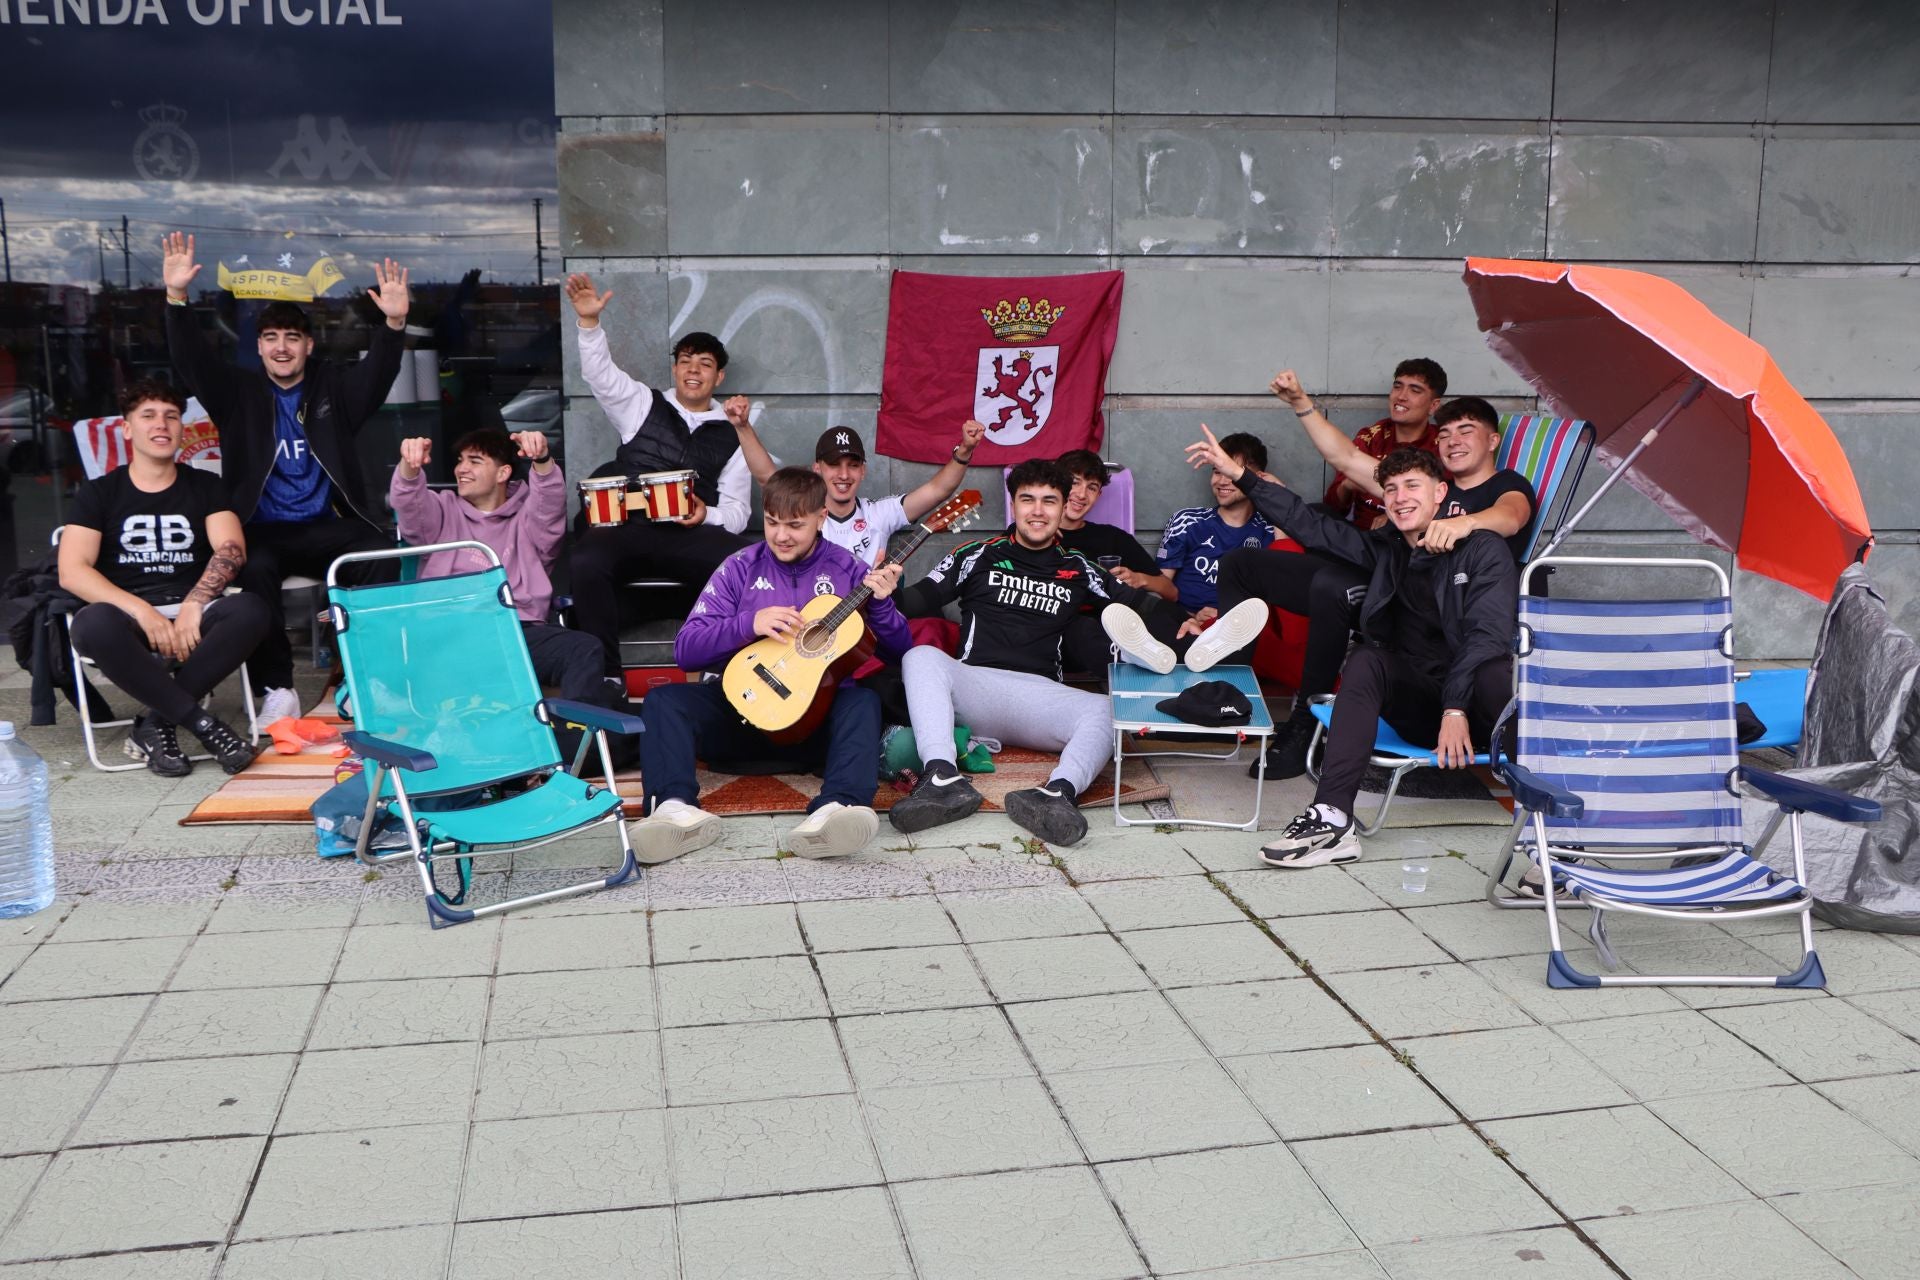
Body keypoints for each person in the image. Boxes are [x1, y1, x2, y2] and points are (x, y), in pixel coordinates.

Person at [1187, 428, 1517, 868]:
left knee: (1496, 668)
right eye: (1392, 489)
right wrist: (1241, 475)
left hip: (1477, 711)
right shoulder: (1386, 550)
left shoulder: (1483, 551)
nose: (1400, 498)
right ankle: (1332, 819)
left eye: (1412, 486)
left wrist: (1455, 708)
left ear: (1441, 493)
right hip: (1421, 709)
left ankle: (1551, 828)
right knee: (1366, 660)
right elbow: (1312, 526)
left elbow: (1487, 637)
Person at [162, 231, 411, 729]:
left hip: (324, 524)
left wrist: (395, 323)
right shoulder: (237, 393)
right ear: (258, 347)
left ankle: (366, 678)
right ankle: (277, 689)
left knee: (380, 555)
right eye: (271, 338)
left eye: (292, 338)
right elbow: (192, 361)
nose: (281, 347)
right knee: (254, 573)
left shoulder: (333, 389)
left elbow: (378, 377)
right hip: (260, 528)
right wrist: (176, 299)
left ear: (308, 345)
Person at [885, 459, 1180, 848]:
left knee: (1108, 709)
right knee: (919, 656)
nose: (1038, 511)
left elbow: (1140, 606)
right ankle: (941, 778)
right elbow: (917, 599)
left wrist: (1188, 621)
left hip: (1039, 698)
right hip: (976, 688)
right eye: (1028, 500)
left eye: (1048, 501)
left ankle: (1057, 794)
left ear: (1061, 509)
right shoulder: (975, 554)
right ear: (1013, 506)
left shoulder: (1079, 568)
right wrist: (887, 591)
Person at [631, 467, 909, 864]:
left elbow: (901, 652)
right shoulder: (740, 567)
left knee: (863, 702)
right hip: (742, 717)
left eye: (795, 525)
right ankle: (674, 812)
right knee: (664, 702)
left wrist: (881, 606)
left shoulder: (849, 570)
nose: (780, 536)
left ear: (821, 518)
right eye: (772, 522)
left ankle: (837, 810)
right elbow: (686, 651)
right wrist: (748, 624)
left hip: (813, 727)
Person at [389, 427, 634, 767]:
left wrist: (543, 461)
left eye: (475, 461)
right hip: (453, 635)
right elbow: (409, 505)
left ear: (503, 472)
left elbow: (548, 507)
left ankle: (571, 747)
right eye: (460, 461)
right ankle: (584, 747)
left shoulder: (526, 518)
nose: (462, 469)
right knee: (613, 708)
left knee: (585, 647)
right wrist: (410, 468)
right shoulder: (441, 510)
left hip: (517, 633)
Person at [58, 378, 267, 777]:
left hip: (192, 614)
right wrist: (143, 612)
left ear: (181, 429)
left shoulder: (205, 485)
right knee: (91, 624)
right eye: (148, 416)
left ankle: (156, 723)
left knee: (251, 610)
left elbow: (231, 551)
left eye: (171, 417)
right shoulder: (100, 492)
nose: (161, 425)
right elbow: (72, 571)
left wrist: (194, 603)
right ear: (127, 428)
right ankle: (204, 724)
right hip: (129, 617)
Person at [563, 272, 754, 676]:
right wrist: (590, 325)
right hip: (628, 528)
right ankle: (606, 675)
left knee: (743, 565)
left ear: (718, 377)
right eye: (685, 361)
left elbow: (737, 513)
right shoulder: (640, 403)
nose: (693, 370)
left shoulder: (735, 432)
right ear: (674, 369)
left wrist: (707, 515)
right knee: (584, 560)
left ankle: (726, 671)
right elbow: (600, 375)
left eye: (704, 364)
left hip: (689, 535)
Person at [728, 416, 987, 565]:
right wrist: (742, 427)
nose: (843, 475)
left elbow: (938, 490)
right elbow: (766, 478)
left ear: (863, 470)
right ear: (817, 468)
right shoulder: (804, 512)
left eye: (852, 466)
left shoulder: (878, 513)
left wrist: (963, 452)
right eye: (833, 465)